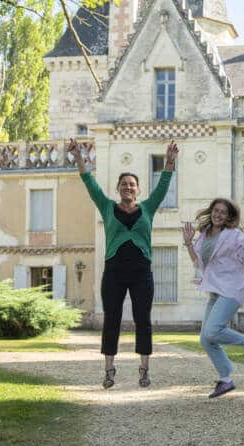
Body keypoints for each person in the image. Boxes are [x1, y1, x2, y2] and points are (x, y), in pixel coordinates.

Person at [67, 138, 178, 390]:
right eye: (124, 184)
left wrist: (170, 160)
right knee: (112, 319)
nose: (128, 187)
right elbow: (89, 183)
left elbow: (163, 184)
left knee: (143, 319)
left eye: (132, 184)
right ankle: (108, 370)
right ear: (118, 188)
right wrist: (78, 157)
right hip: (114, 273)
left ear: (138, 189)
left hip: (141, 273)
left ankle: (144, 370)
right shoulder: (106, 207)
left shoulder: (148, 207)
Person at [182, 199, 244, 398]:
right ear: (211, 212)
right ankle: (226, 380)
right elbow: (199, 263)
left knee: (213, 330)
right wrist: (189, 243)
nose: (218, 215)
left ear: (228, 217)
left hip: (231, 290)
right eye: (216, 210)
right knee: (205, 339)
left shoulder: (234, 235)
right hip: (215, 290)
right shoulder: (204, 235)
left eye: (223, 212)